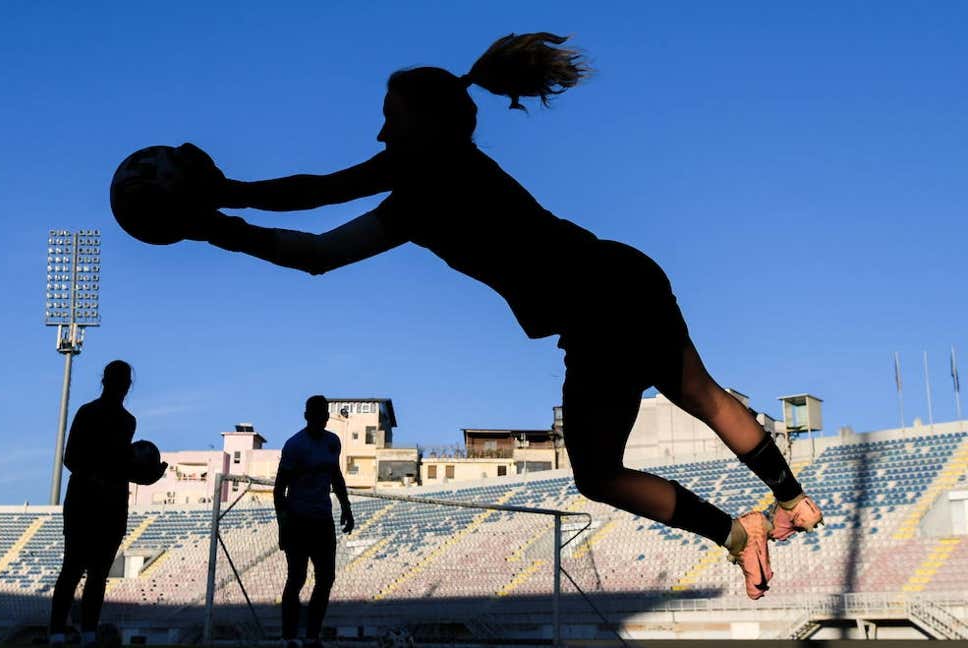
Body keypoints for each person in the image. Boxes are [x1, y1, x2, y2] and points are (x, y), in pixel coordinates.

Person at [173, 33, 823, 599]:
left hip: (595, 311)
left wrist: (219, 208)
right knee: (704, 398)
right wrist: (220, 223)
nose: (380, 134)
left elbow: (316, 201)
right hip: (626, 274)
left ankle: (738, 534)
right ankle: (793, 500)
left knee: (600, 476)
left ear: (425, 122)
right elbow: (317, 248)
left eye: (388, 118)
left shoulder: (428, 172)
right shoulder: (432, 184)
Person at [48, 360, 163, 647]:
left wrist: (149, 476)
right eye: (118, 380)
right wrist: (97, 476)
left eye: (122, 380)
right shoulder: (88, 413)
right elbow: (71, 458)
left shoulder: (127, 421)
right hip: (86, 500)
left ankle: (84, 633)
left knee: (97, 572)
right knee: (74, 568)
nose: (120, 386)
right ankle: (58, 633)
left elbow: (123, 468)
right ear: (110, 382)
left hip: (110, 504)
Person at [274, 395, 354, 647]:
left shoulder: (333, 442)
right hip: (298, 520)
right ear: (307, 416)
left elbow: (336, 476)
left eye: (324, 414)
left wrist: (346, 507)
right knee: (296, 578)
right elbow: (279, 490)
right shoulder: (295, 445)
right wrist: (283, 526)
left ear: (326, 416)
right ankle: (288, 636)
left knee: (326, 579)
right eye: (316, 414)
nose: (321, 418)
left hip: (323, 520)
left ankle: (312, 636)